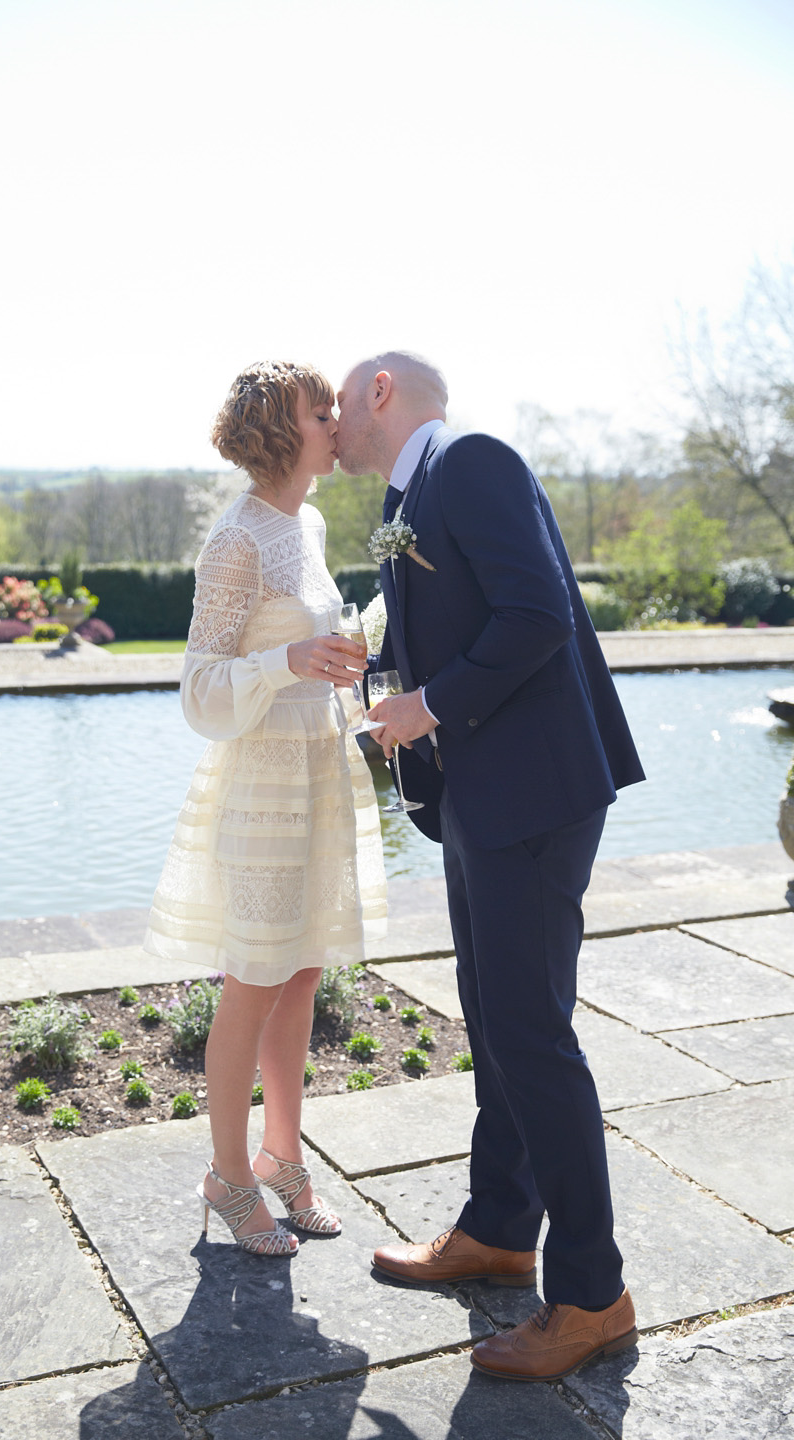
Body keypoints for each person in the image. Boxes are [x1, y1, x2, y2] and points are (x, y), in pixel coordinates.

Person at [335, 351, 645, 1379]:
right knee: (499, 1017)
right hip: (486, 796)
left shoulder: (470, 461)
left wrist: (426, 707)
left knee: (530, 1033)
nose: (330, 424)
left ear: (382, 389)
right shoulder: (413, 493)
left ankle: (592, 1295)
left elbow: (536, 615)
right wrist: (388, 679)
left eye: (340, 403)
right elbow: (459, 622)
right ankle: (503, 1230)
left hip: (534, 796)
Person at [145, 360, 386, 1258]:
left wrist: (345, 659)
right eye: (319, 409)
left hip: (320, 775)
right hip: (258, 789)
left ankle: (284, 1156)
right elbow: (199, 689)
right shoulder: (235, 542)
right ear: (281, 433)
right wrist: (289, 664)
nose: (336, 419)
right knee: (250, 984)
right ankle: (228, 1177)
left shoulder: (311, 521)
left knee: (303, 975)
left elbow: (309, 641)